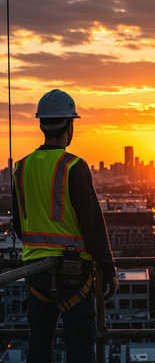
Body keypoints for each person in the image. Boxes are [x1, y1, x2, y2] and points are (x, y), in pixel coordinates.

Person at [12, 89, 118, 363]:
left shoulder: (21, 168)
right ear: (70, 126)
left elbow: (19, 228)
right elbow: (92, 226)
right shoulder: (73, 166)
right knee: (80, 349)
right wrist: (108, 271)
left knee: (39, 347)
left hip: (36, 273)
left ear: (41, 125)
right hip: (73, 273)